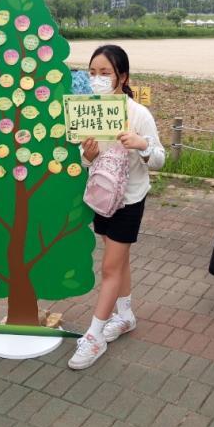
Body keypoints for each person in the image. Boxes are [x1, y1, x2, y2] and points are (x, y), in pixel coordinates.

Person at [68, 44, 165, 370]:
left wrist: (142, 145)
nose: (97, 79)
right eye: (92, 73)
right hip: (101, 197)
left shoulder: (138, 114)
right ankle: (125, 316)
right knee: (117, 259)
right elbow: (84, 159)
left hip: (130, 199)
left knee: (109, 267)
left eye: (105, 73)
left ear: (122, 77)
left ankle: (94, 336)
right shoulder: (89, 110)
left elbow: (160, 159)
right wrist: (88, 155)